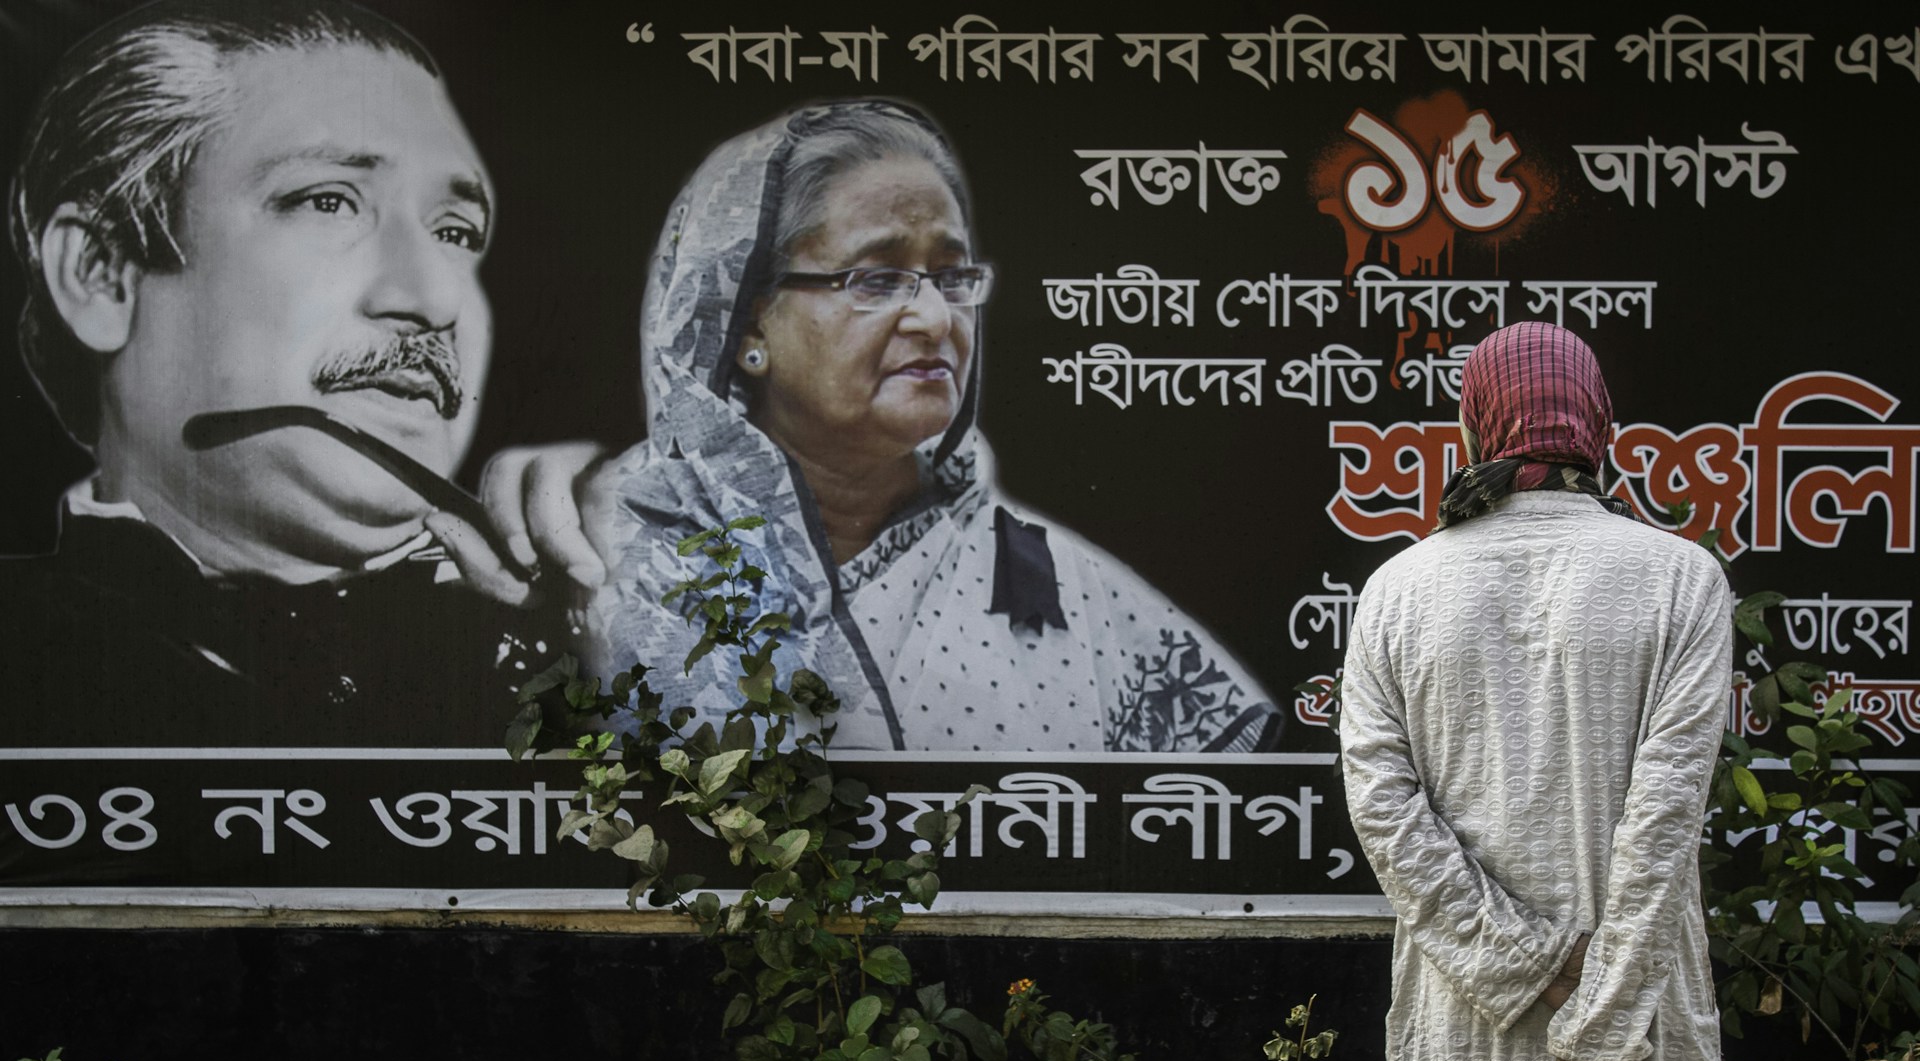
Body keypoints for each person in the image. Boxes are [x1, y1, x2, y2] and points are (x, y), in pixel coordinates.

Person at [588, 100, 1278, 752]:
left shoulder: (1061, 586)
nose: (936, 320)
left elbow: (1218, 836)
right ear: (747, 322)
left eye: (952, 278)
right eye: (877, 279)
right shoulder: (609, 548)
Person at [2, 0, 597, 746]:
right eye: (328, 202)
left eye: (455, 233)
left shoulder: (591, 634)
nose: (434, 299)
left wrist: (641, 614)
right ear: (101, 273)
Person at [1339, 323, 1731, 1061]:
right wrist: (1604, 1010)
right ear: (1597, 424)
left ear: (1477, 425)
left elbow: (1386, 817)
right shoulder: (1682, 579)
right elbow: (1663, 819)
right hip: (1636, 1006)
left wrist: (1537, 970)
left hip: (1470, 1013)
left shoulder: (1396, 590)